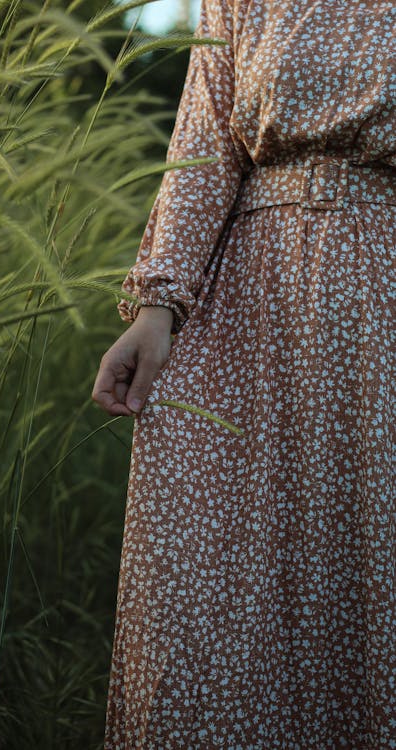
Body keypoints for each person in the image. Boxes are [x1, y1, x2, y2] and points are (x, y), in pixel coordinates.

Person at [92, 0, 395, 746]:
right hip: (247, 315)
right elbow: (204, 147)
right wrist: (156, 309)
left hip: (381, 305)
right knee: (209, 578)